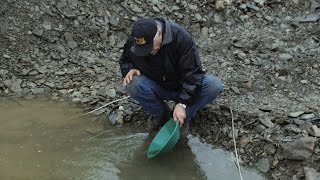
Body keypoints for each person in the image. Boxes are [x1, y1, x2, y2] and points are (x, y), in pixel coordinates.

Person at [119, 17, 223, 132]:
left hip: (181, 86)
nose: (148, 52)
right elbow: (125, 60)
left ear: (159, 34)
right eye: (143, 50)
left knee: (214, 85)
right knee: (133, 83)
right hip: (157, 86)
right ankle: (160, 114)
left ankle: (181, 118)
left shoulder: (180, 37)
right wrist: (130, 69)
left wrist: (182, 103)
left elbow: (193, 74)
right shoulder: (135, 40)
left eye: (150, 48)